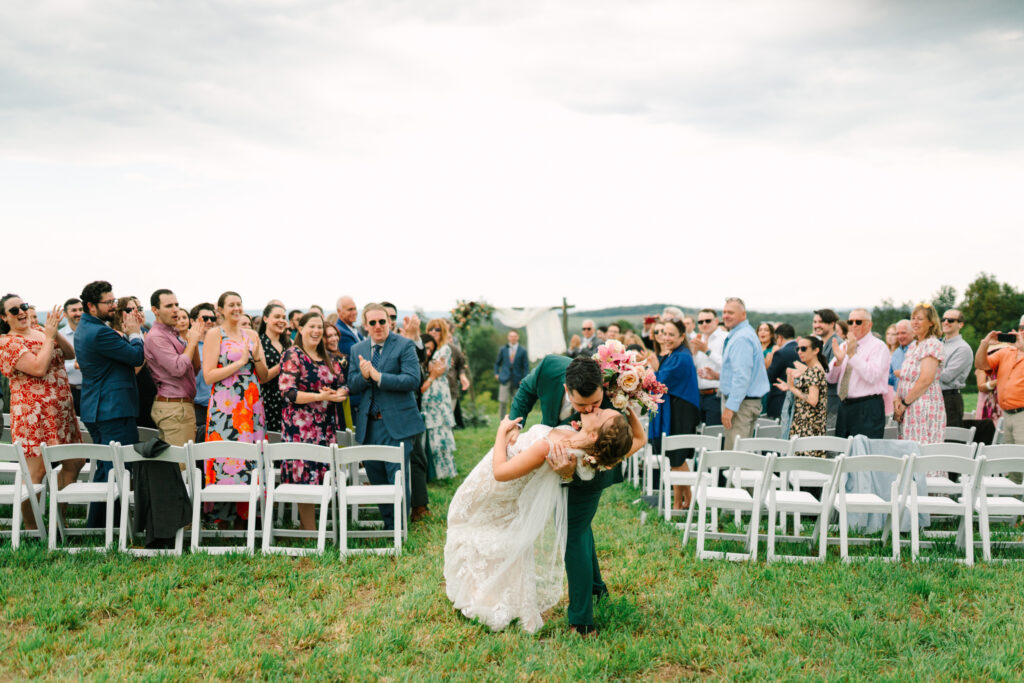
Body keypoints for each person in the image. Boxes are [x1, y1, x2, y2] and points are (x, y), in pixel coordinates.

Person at [445, 406, 638, 634]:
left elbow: (500, 472)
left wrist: (501, 433)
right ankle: (486, 586)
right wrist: (630, 407)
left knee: (467, 525)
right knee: (481, 532)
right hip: (498, 483)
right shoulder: (584, 448)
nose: (597, 408)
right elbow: (640, 438)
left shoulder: (554, 448)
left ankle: (482, 592)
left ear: (595, 435)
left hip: (491, 485)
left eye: (599, 414)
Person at [509, 355, 646, 635]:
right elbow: (526, 389)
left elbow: (624, 444)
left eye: (594, 403)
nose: (589, 410)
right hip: (558, 452)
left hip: (594, 467)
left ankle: (582, 622)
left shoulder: (611, 398)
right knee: (579, 529)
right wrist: (514, 425)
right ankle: (596, 589)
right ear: (566, 390)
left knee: (573, 531)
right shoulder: (549, 367)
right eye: (581, 405)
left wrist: (578, 468)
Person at [0, 294, 84, 531]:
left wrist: (53, 332)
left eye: (23, 306)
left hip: (61, 411)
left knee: (75, 462)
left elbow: (68, 354)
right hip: (33, 415)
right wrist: (48, 338)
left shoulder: (41, 330)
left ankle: (58, 518)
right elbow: (37, 368)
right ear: (4, 317)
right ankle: (31, 528)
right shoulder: (7, 342)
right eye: (14, 310)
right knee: (36, 471)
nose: (22, 312)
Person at [347, 303, 425, 531]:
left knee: (398, 477)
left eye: (382, 321)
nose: (378, 326)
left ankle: (401, 527)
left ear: (390, 322)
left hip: (398, 424)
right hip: (369, 425)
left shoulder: (404, 345)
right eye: (373, 322)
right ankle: (389, 523)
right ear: (365, 325)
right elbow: (353, 384)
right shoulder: (357, 349)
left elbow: (412, 380)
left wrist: (379, 376)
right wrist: (363, 376)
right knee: (377, 477)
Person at [76, 280, 145, 527]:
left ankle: (102, 525)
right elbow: (136, 356)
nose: (114, 306)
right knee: (116, 468)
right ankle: (102, 526)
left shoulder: (87, 327)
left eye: (114, 301)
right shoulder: (100, 332)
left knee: (107, 468)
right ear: (91, 306)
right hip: (112, 409)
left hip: (100, 406)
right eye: (109, 302)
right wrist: (135, 333)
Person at [202, 291, 269, 526]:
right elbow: (209, 376)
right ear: (220, 309)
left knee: (252, 455)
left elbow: (263, 375)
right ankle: (222, 515)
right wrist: (239, 363)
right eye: (231, 305)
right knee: (227, 455)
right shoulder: (214, 335)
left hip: (251, 404)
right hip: (226, 405)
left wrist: (257, 357)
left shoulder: (251, 334)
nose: (236, 308)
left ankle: (249, 515)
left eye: (239, 304)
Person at [278, 312, 348, 530]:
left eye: (320, 327)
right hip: (300, 426)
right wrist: (320, 396)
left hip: (325, 425)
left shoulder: (327, 356)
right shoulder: (293, 354)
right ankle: (308, 529)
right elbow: (288, 393)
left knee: (322, 473)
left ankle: (321, 525)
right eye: (312, 327)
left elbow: (342, 384)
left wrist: (338, 394)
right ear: (300, 329)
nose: (316, 331)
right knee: (304, 474)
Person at [647, 320, 700, 510]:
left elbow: (662, 381)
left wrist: (655, 369)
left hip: (681, 412)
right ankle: (683, 501)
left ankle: (685, 502)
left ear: (681, 336)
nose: (666, 338)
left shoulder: (682, 357)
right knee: (675, 458)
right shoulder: (674, 354)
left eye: (671, 334)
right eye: (664, 333)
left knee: (676, 458)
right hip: (674, 410)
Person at [144, 289, 202, 447]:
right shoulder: (157, 336)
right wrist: (192, 342)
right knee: (181, 466)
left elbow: (194, 370)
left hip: (181, 406)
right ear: (155, 310)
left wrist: (193, 342)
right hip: (174, 407)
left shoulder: (173, 334)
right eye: (169, 305)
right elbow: (178, 368)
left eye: (177, 304)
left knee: (183, 464)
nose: (175, 309)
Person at [826, 308, 890, 439]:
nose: (853, 325)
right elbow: (830, 379)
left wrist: (852, 355)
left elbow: (872, 376)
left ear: (869, 324)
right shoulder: (845, 345)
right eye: (850, 322)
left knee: (864, 454)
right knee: (843, 452)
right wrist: (838, 362)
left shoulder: (878, 346)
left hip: (867, 407)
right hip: (844, 406)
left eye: (858, 322)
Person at [719, 298, 770, 450]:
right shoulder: (743, 333)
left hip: (741, 406)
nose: (726, 316)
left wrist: (731, 408)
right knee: (741, 454)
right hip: (745, 402)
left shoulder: (741, 338)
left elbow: (742, 377)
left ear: (743, 314)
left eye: (731, 312)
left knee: (736, 458)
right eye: (724, 312)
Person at [894, 304, 946, 444]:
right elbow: (904, 376)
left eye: (920, 319)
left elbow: (925, 379)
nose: (915, 322)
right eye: (913, 318)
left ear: (931, 323)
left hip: (923, 406)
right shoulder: (913, 345)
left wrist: (905, 403)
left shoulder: (932, 344)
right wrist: (897, 400)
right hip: (908, 407)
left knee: (922, 451)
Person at [975, 314, 1024, 448]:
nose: (1022, 331)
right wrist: (985, 344)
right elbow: (981, 365)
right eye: (1021, 328)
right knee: (1009, 462)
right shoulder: (1006, 352)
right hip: (1007, 414)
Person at [775, 336, 829, 456]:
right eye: (798, 349)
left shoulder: (814, 371)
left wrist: (792, 388)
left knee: (802, 469)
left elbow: (812, 400)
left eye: (803, 348)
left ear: (816, 350)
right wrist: (790, 387)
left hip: (807, 426)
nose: (799, 352)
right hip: (808, 425)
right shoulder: (814, 369)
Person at [113, 296, 157, 429]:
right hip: (134, 393)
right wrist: (147, 350)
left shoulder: (145, 332)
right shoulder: (116, 335)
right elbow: (133, 369)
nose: (135, 312)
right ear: (119, 313)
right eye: (129, 309)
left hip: (150, 391)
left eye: (139, 308)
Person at [423, 318, 458, 479]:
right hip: (429, 392)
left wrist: (430, 368)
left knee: (439, 428)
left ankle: (444, 472)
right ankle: (432, 470)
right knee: (430, 429)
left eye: (437, 329)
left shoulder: (444, 349)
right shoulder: (431, 348)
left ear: (443, 332)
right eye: (431, 329)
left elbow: (436, 369)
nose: (433, 332)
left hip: (438, 392)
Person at [258, 303, 291, 433]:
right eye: (277, 316)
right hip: (267, 401)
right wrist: (284, 363)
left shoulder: (288, 343)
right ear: (265, 318)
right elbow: (261, 378)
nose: (281, 321)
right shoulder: (259, 343)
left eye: (284, 317)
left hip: (287, 401)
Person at [691, 308, 727, 427]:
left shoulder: (725, 338)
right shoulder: (697, 339)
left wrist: (707, 351)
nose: (704, 324)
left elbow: (727, 365)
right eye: (700, 322)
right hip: (698, 394)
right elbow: (693, 367)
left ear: (716, 321)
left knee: (713, 435)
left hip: (716, 394)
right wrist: (694, 353)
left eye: (708, 321)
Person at [939, 309, 973, 428]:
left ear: (960, 324)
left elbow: (946, 377)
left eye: (951, 320)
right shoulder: (939, 344)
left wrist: (926, 368)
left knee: (950, 440)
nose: (946, 322)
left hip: (949, 399)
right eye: (943, 319)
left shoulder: (963, 348)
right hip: (935, 397)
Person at [189, 303, 217, 443]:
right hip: (197, 407)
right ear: (192, 321)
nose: (210, 322)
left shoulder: (220, 345)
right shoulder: (187, 346)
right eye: (205, 318)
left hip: (218, 405)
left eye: (213, 318)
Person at [813, 308, 842, 430]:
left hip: (831, 404)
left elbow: (828, 374)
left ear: (832, 324)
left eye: (821, 322)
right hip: (819, 404)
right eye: (814, 322)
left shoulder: (838, 344)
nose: (817, 325)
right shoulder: (819, 344)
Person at [765, 323, 798, 419]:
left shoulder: (781, 353)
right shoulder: (801, 349)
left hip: (780, 399)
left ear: (780, 337)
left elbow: (770, 377)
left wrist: (768, 364)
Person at [494, 330, 529, 418]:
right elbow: (497, 363)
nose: (513, 338)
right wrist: (496, 374)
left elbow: (525, 367)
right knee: (502, 401)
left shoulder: (523, 351)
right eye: (511, 336)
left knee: (516, 402)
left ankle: (514, 420)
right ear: (508, 337)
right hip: (504, 378)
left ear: (518, 337)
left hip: (517, 380)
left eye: (515, 336)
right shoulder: (503, 349)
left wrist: (524, 379)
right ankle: (502, 422)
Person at [323, 324, 351, 430]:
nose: (334, 339)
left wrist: (343, 390)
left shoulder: (343, 360)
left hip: (340, 407)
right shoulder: (316, 361)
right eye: (329, 336)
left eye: (336, 335)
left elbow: (349, 382)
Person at [58, 297, 84, 413]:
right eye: (74, 310)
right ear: (65, 314)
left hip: (94, 391)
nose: (78, 313)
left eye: (81, 309)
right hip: (70, 392)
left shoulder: (93, 333)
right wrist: (74, 365)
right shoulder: (60, 336)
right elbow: (56, 365)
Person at [889, 319, 913, 390]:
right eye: (897, 333)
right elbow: (892, 379)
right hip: (898, 398)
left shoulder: (919, 350)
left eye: (903, 333)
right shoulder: (896, 353)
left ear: (913, 333)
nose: (900, 336)